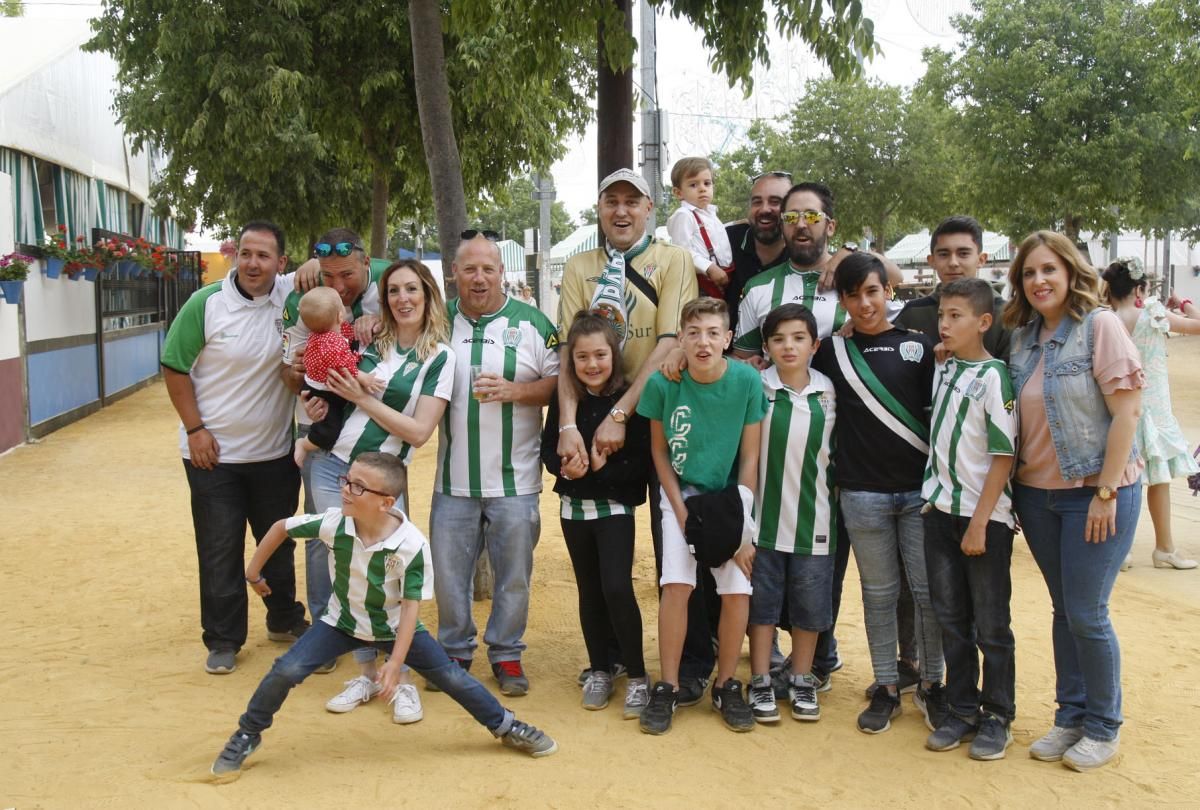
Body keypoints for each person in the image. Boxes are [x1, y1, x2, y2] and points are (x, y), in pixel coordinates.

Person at [209, 453, 558, 775]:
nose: (345, 490)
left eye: (358, 487)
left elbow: (410, 609)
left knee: (452, 678)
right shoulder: (335, 523)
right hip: (340, 623)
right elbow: (282, 527)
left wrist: (395, 662)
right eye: (347, 481)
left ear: (386, 503)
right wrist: (253, 572)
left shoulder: (411, 545)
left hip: (395, 628)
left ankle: (507, 726)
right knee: (286, 670)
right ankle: (247, 733)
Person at [557, 168, 707, 700]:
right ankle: (611, 659)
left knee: (678, 539)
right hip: (597, 418)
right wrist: (571, 424)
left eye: (632, 201)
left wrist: (623, 412)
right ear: (599, 209)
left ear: (650, 208)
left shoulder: (673, 260)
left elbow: (671, 339)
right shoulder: (580, 265)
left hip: (657, 412)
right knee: (605, 560)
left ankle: (687, 660)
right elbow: (569, 353)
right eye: (610, 201)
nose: (621, 211)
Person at [1005, 231, 1144, 772]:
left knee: (1088, 611)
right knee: (1065, 610)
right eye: (1029, 273)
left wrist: (1106, 491)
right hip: (1038, 497)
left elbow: (1127, 413)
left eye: (1048, 270)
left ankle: (1103, 726)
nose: (1039, 281)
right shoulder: (1022, 338)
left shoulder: (1100, 327)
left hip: (1096, 492)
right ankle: (1071, 716)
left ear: (1070, 272)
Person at [301, 259, 455, 723]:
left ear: (427, 295)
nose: (402, 299)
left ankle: (401, 677)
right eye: (393, 291)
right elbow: (327, 381)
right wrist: (317, 404)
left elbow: (419, 431)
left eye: (412, 289)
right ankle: (366, 673)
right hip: (331, 468)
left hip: (384, 480)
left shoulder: (441, 358)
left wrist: (362, 397)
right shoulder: (368, 340)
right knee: (344, 565)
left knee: (391, 573)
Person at [161, 220, 308, 675]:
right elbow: (174, 366)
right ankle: (223, 639)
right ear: (235, 256)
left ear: (281, 263)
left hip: (274, 456)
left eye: (264, 255)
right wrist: (195, 429)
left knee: (279, 545)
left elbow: (368, 267)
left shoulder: (291, 296)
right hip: (213, 457)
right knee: (220, 548)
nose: (252, 263)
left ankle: (284, 619)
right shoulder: (206, 304)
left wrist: (321, 258)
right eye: (246, 253)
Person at [810, 252, 947, 735]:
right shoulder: (828, 352)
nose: (865, 303)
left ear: (888, 292)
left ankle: (933, 684)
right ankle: (886, 686)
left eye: (873, 291)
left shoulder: (920, 345)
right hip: (862, 494)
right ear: (842, 299)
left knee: (928, 592)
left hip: (918, 493)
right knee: (879, 593)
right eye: (854, 294)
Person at [431, 231, 559, 697]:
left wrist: (515, 392)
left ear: (501, 273)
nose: (479, 277)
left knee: (513, 577)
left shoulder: (533, 323)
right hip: (452, 479)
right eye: (469, 269)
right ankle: (455, 650)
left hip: (516, 480)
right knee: (448, 577)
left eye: (488, 268)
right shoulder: (436, 320)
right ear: (454, 274)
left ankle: (506, 654)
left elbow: (560, 382)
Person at [636, 297, 766, 735]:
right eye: (693, 333)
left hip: (730, 499)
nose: (704, 342)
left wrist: (744, 529)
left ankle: (727, 683)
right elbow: (658, 452)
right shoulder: (663, 384)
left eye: (713, 333)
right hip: (681, 497)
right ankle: (669, 686)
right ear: (682, 338)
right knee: (676, 584)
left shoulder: (747, 382)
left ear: (728, 338)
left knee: (736, 588)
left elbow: (750, 459)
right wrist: (680, 511)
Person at [920, 277, 1018, 760]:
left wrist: (980, 522)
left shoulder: (995, 377)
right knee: (951, 620)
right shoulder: (947, 368)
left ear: (983, 322)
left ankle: (997, 713)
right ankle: (961, 709)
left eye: (956, 316)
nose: (944, 323)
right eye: (942, 315)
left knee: (991, 623)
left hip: (983, 520)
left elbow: (1002, 456)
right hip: (939, 514)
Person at [540, 313, 652, 717]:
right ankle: (601, 668)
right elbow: (548, 449)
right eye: (583, 357)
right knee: (589, 591)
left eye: (600, 355)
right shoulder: (567, 399)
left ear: (614, 354)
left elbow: (642, 463)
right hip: (573, 509)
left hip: (614, 509)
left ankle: (638, 675)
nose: (592, 365)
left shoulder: (627, 404)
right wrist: (562, 467)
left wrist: (605, 471)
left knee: (617, 588)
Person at [281, 227, 382, 656]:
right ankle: (324, 628)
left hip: (378, 439)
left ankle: (377, 629)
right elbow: (288, 375)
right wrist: (305, 383)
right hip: (323, 437)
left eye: (347, 275)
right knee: (325, 533)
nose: (338, 286)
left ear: (367, 264)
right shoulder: (302, 298)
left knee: (381, 533)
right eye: (328, 276)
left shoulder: (391, 285)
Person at [745, 303, 837, 725]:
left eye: (798, 338)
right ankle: (761, 678)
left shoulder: (829, 391)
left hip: (816, 520)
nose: (788, 346)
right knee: (761, 606)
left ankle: (802, 678)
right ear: (765, 346)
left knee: (810, 605)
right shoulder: (755, 387)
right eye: (778, 339)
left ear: (814, 344)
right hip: (762, 521)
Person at [1103, 258, 1200, 569]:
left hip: (1117, 411)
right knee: (1158, 480)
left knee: (1117, 479)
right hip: (1154, 410)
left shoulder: (1104, 320)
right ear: (1139, 288)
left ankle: (1121, 551)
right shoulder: (1153, 314)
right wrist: (1184, 304)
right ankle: (1164, 548)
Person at [292, 287, 384, 468]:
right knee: (329, 430)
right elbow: (345, 369)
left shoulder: (328, 332)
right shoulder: (330, 344)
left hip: (319, 385)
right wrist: (364, 378)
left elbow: (348, 333)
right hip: (322, 392)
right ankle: (304, 443)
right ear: (340, 316)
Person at [895, 215, 1010, 359]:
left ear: (981, 259)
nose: (953, 262)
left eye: (963, 253)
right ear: (932, 261)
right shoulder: (913, 314)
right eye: (944, 254)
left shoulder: (1005, 315)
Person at [724, 171, 793, 334]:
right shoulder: (725, 240)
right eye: (757, 202)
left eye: (775, 202)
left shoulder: (801, 249)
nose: (764, 209)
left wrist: (848, 249)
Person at [666, 156, 733, 299]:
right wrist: (708, 267)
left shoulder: (710, 214)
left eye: (707, 183)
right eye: (693, 185)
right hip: (702, 284)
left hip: (722, 278)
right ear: (678, 193)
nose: (702, 189)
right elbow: (682, 252)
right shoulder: (684, 215)